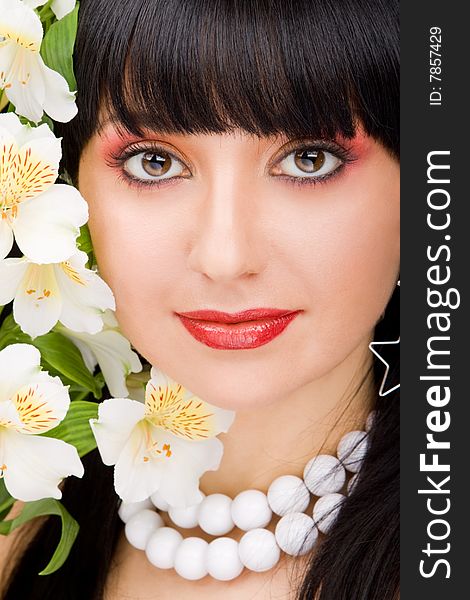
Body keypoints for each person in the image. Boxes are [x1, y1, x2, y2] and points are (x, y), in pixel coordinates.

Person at [0, 0, 399, 598]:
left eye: (308, 159)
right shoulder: (17, 526)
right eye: (154, 163)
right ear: (67, 186)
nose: (226, 257)